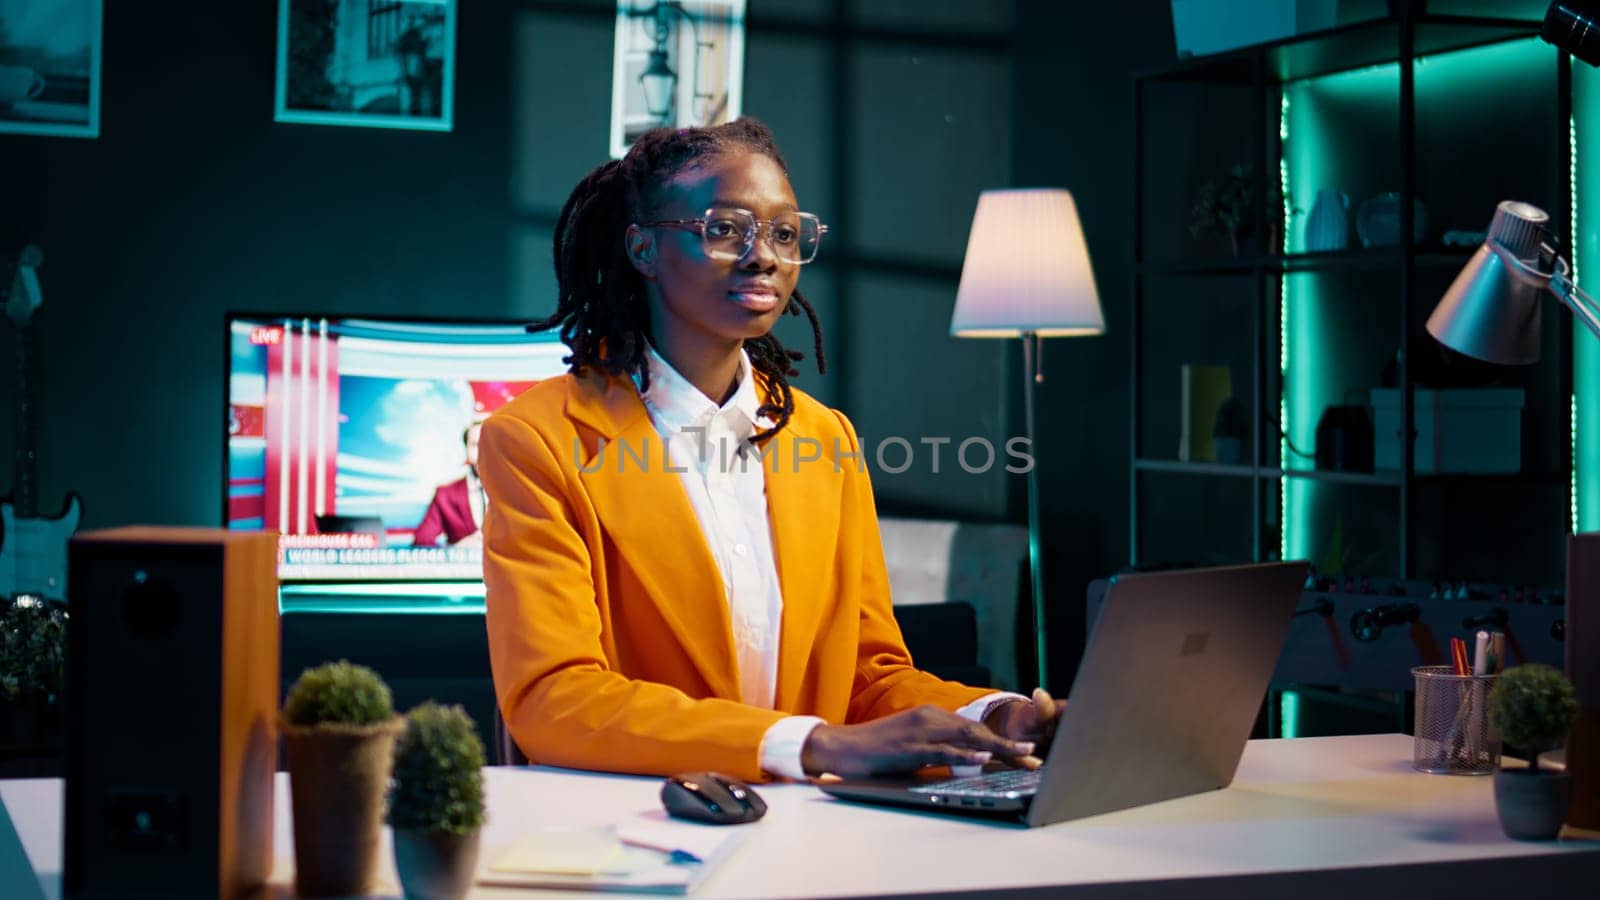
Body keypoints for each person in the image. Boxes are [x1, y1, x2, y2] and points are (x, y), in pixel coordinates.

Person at [480, 118, 1060, 783]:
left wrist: (992, 719)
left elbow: (869, 678)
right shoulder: (536, 439)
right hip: (633, 834)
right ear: (642, 249)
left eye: (785, 233)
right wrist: (813, 746)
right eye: (725, 229)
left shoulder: (825, 439)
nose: (764, 256)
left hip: (807, 834)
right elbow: (557, 700)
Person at [412, 421, 485, 547]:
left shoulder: (514, 492)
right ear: (466, 449)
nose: (483, 452)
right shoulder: (445, 495)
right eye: (475, 445)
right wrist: (458, 549)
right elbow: (421, 542)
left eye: (489, 444)